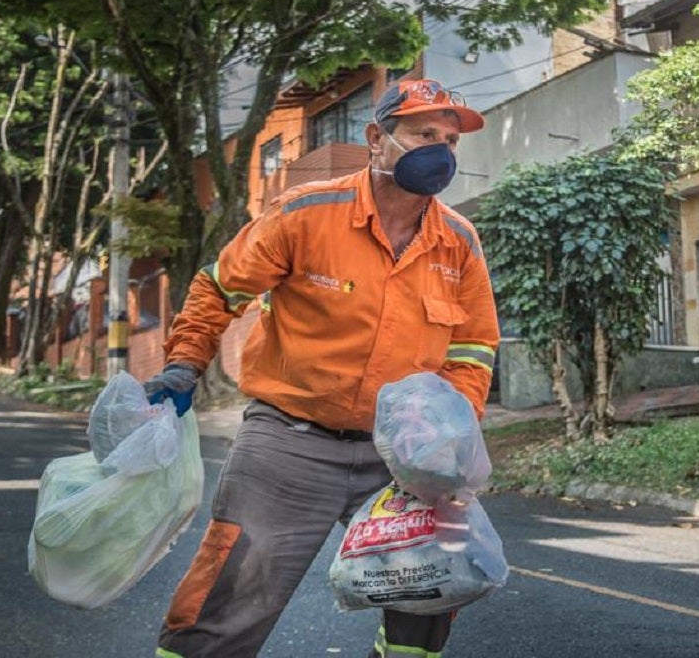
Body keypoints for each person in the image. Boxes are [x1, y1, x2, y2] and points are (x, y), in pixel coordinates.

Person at [143, 78, 500, 658]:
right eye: (423, 134)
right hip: (288, 444)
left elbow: (473, 344)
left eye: (451, 139)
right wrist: (186, 362)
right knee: (228, 600)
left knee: (433, 589)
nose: (442, 150)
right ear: (377, 139)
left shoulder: (459, 242)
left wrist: (451, 431)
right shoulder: (307, 214)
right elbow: (218, 287)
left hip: (404, 458)